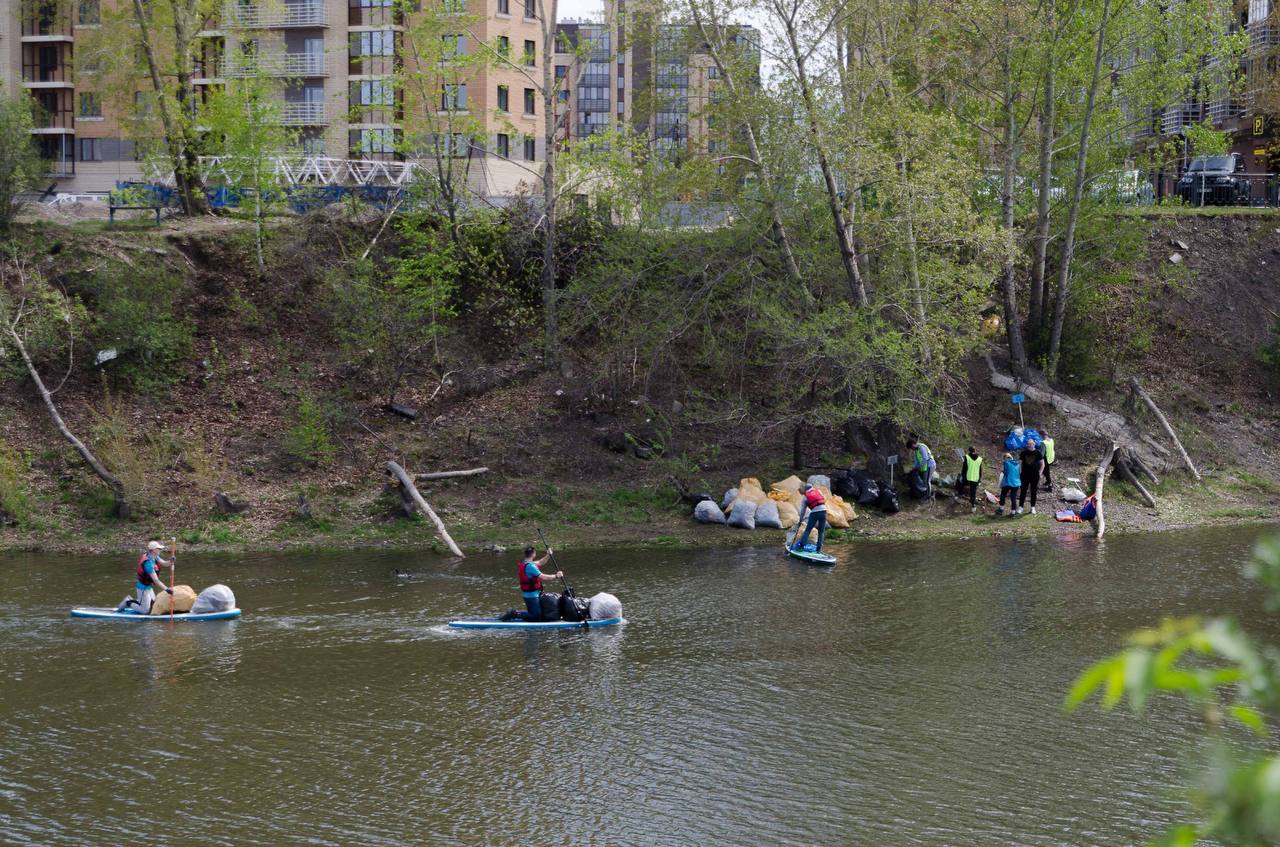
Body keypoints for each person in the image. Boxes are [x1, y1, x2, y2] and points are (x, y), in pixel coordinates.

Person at [516, 545, 562, 622]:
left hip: (531, 594)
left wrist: (548, 555)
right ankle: (514, 613)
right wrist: (556, 576)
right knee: (535, 616)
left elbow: (541, 562)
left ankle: (522, 614)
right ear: (533, 554)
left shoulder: (525, 563)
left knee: (536, 614)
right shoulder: (530, 566)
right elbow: (543, 577)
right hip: (532, 595)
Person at [129, 541, 173, 614]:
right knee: (145, 611)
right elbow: (155, 580)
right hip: (142, 588)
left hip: (148, 587)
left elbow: (164, 563)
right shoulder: (148, 563)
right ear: (154, 550)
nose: (160, 550)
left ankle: (140, 602)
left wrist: (171, 561)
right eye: (158, 548)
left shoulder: (154, 556)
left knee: (153, 605)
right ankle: (129, 602)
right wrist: (167, 589)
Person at [792, 483, 829, 553]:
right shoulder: (818, 491)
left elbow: (803, 510)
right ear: (812, 487)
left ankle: (801, 546)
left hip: (815, 513)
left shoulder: (805, 497)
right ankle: (819, 549)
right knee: (821, 531)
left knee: (808, 530)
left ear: (805, 489)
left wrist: (800, 520)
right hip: (824, 511)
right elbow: (823, 500)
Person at [906, 434, 937, 501]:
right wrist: (914, 468)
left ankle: (928, 497)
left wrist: (919, 467)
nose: (912, 449)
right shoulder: (917, 450)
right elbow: (917, 461)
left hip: (930, 465)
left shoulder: (921, 447)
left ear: (913, 444)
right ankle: (927, 494)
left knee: (927, 481)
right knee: (924, 482)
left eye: (911, 448)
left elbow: (925, 458)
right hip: (925, 467)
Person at [1019, 438, 1045, 514]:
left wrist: (1040, 473)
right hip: (1024, 475)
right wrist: (1020, 473)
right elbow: (1020, 463)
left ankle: (1032, 507)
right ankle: (1021, 507)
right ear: (1027, 444)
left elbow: (1042, 464)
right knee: (1023, 491)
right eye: (1029, 444)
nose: (1030, 445)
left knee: (1033, 491)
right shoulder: (1023, 453)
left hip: (1035, 475)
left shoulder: (1038, 453)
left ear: (1034, 444)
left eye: (1031, 444)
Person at [956, 446, 983, 513]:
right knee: (973, 492)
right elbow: (980, 470)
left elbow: (964, 468)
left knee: (960, 482)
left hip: (967, 477)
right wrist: (979, 479)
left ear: (969, 451)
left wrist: (962, 475)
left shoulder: (967, 457)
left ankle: (959, 494)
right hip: (975, 478)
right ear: (975, 451)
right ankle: (973, 506)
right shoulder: (980, 459)